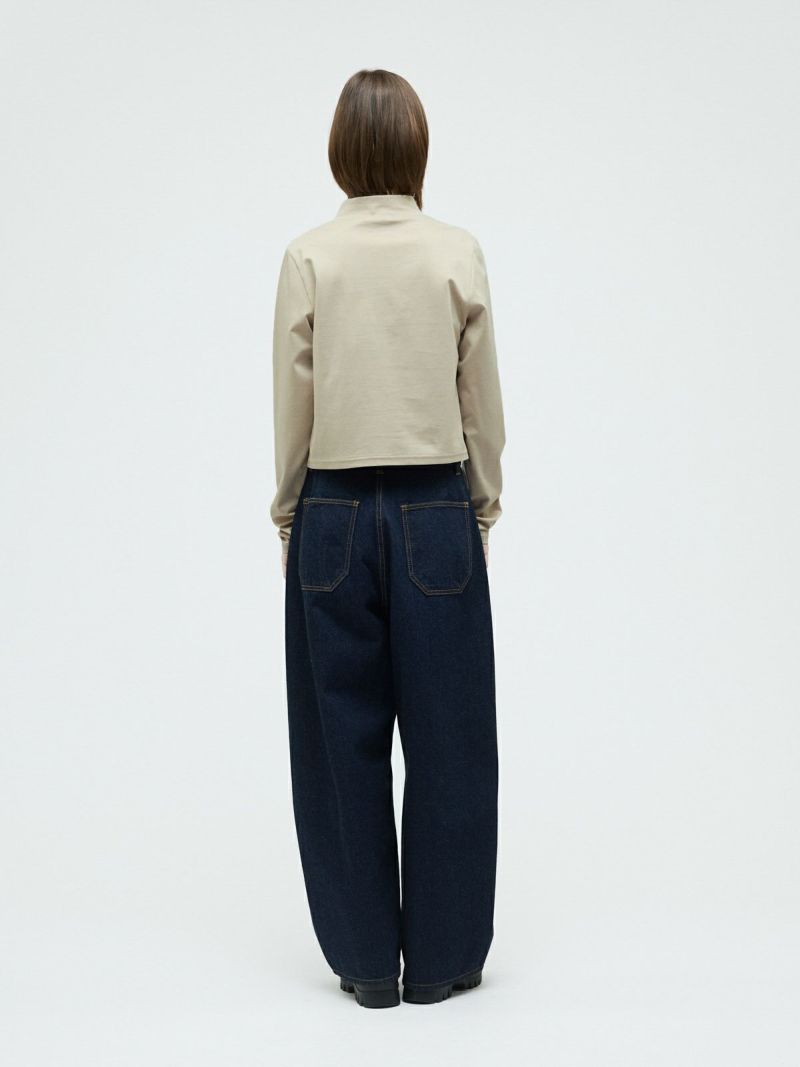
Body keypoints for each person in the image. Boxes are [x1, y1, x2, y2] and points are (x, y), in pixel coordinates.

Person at [269, 68, 506, 1008]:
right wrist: (480, 506)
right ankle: (442, 963)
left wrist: (289, 515)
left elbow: (294, 401)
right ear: (417, 145)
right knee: (453, 740)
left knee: (339, 744)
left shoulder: (308, 257)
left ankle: (366, 964)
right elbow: (479, 401)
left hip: (330, 511)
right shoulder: (455, 252)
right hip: (435, 510)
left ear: (340, 149)